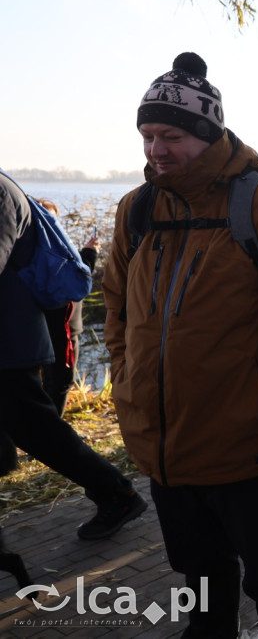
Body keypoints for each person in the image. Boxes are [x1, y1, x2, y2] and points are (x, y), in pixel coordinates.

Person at [102, 52, 258, 635]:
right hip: (165, 448)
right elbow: (115, 308)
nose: (155, 149)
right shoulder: (135, 211)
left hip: (245, 447)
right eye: (147, 135)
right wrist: (126, 383)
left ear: (208, 136)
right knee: (201, 580)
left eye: (171, 135)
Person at [1, 169, 146, 541]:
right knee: (33, 430)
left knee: (40, 431)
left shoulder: (2, 194)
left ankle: (119, 494)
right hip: (12, 340)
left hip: (9, 344)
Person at [36, 199, 100, 416]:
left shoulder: (37, 249)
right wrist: (90, 255)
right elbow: (74, 283)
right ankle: (50, 436)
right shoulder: (51, 250)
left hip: (49, 328)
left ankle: (44, 433)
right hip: (61, 330)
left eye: (55, 219)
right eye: (49, 218)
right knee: (61, 381)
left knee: (49, 383)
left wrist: (86, 253)